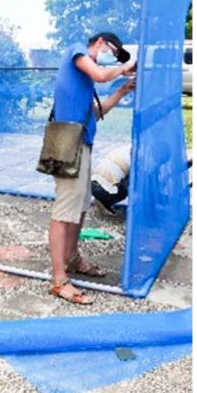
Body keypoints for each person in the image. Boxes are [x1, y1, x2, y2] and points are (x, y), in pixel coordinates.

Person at [47, 31, 136, 304]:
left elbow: (97, 113)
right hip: (67, 144)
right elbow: (100, 74)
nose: (113, 57)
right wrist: (122, 69)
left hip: (80, 143)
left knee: (80, 205)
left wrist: (122, 90)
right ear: (100, 43)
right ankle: (59, 279)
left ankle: (72, 259)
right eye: (113, 51)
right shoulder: (77, 50)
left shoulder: (84, 81)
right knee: (64, 211)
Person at [90, 143, 130, 212]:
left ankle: (100, 201)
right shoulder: (138, 155)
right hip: (106, 192)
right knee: (135, 180)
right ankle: (105, 202)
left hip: (93, 185)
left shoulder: (124, 149)